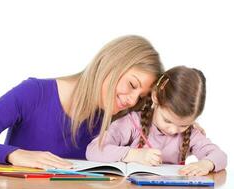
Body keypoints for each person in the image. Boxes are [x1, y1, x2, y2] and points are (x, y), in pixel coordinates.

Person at [0, 35, 164, 169]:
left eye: (141, 97)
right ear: (110, 65)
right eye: (132, 85)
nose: (132, 100)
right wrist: (14, 154)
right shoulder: (34, 93)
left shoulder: (123, 122)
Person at [86, 66, 227, 176]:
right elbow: (93, 151)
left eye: (183, 125)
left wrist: (206, 164)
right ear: (155, 97)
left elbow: (220, 156)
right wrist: (133, 154)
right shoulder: (132, 123)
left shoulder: (191, 134)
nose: (173, 130)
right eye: (167, 120)